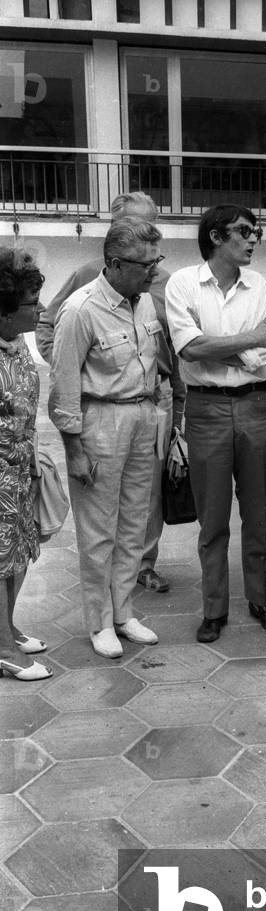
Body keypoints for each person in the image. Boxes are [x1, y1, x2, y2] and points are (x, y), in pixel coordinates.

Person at [37, 191, 185, 595]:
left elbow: (177, 344)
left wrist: (178, 401)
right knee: (102, 501)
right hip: (103, 404)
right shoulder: (88, 276)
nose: (145, 234)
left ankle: (143, 564)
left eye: (151, 227)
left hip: (156, 397)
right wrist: (75, 368)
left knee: (147, 492)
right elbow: (49, 325)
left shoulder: (166, 282)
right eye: (133, 226)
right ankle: (103, 593)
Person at [165, 204, 266, 643]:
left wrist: (220, 347)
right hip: (206, 408)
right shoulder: (183, 284)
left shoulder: (258, 287)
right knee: (212, 516)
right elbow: (190, 350)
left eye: (255, 232)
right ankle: (214, 609)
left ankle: (261, 598)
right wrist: (248, 340)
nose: (254, 239)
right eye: (244, 232)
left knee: (257, 512)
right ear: (216, 237)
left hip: (255, 405)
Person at [49, 217, 164, 659]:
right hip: (100, 422)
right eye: (146, 264)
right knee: (99, 531)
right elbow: (63, 387)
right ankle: (98, 622)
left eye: (157, 261)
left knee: (134, 523)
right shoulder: (80, 310)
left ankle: (124, 612)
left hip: (141, 416)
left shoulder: (145, 303)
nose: (153, 271)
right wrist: (74, 450)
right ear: (115, 264)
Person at [0, 250, 52, 681]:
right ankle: (0, 647)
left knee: (17, 555)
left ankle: (7, 628)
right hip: (1, 469)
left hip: (17, 471)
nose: (41, 309)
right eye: (32, 303)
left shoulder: (16, 345)